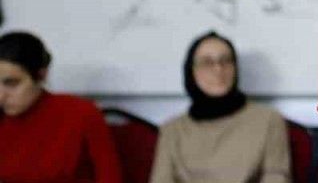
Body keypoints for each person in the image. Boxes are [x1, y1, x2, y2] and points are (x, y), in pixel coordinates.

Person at [150, 32, 290, 183]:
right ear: (191, 71)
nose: (218, 69)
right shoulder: (172, 130)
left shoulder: (267, 121)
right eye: (207, 62)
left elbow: (276, 178)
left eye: (226, 61)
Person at [0, 31, 123, 183]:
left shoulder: (80, 113)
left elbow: (110, 177)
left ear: (41, 75)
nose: (1, 96)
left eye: (12, 83)